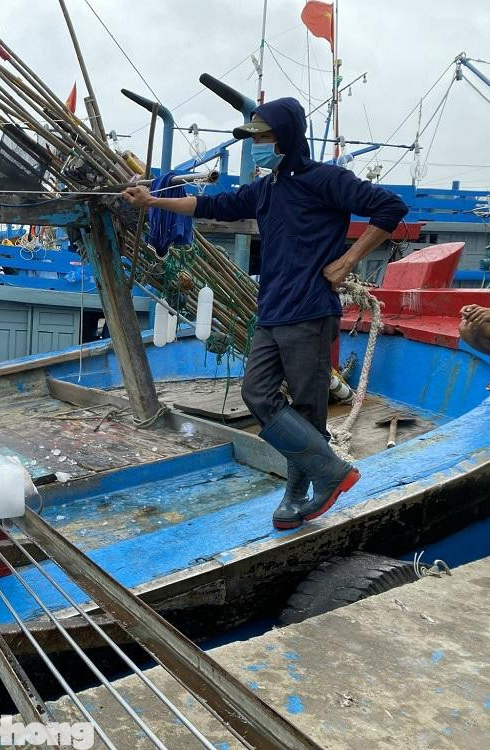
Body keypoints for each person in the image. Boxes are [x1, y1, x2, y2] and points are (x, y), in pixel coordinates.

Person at [123, 96, 408, 530]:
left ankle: (297, 492)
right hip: (272, 312)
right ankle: (330, 473)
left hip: (310, 311)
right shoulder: (267, 188)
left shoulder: (325, 179)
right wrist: (154, 201)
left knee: (309, 408)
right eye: (253, 137)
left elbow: (390, 208)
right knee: (258, 394)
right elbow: (211, 206)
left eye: (263, 136)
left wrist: (348, 261)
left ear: (287, 135)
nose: (256, 144)